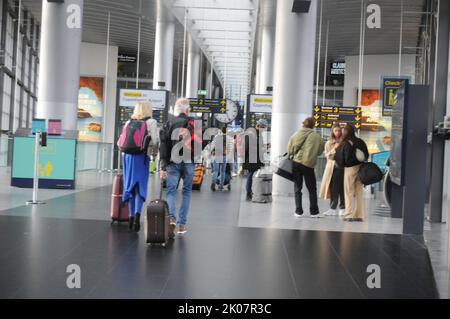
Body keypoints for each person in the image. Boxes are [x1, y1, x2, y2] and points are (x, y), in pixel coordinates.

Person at [159, 98, 200, 236]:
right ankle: (182, 225)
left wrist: (163, 166)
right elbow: (201, 144)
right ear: (187, 110)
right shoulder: (195, 124)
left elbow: (163, 147)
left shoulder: (169, 123)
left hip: (173, 161)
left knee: (171, 191)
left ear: (176, 111)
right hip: (189, 161)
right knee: (187, 191)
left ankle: (172, 218)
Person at [122, 101, 159, 232]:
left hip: (127, 158)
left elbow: (120, 141)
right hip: (142, 157)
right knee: (140, 187)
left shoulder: (128, 122)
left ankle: (130, 218)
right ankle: (138, 216)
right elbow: (155, 141)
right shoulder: (151, 122)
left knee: (130, 187)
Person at [287, 117, 325, 218]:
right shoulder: (317, 137)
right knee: (312, 188)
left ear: (303, 124)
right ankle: (314, 212)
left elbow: (290, 149)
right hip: (308, 164)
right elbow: (320, 151)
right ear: (313, 125)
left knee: (297, 188)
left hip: (296, 163)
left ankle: (298, 211)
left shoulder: (296, 134)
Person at [334, 124, 369, 222]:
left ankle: (349, 215)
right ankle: (359, 215)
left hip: (350, 169)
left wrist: (344, 164)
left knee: (348, 191)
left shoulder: (345, 143)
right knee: (359, 192)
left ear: (346, 132)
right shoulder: (360, 141)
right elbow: (366, 154)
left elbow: (341, 157)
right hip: (361, 168)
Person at [319, 124, 345, 216]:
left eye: (339, 130)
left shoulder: (345, 142)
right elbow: (328, 156)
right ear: (332, 132)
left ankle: (342, 208)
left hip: (344, 169)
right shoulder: (329, 143)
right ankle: (332, 208)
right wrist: (335, 148)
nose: (337, 132)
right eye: (336, 130)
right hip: (333, 169)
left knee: (343, 189)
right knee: (333, 189)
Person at [242, 119, 268, 201]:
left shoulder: (258, 134)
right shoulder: (251, 134)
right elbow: (247, 147)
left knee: (253, 175)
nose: (263, 129)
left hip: (256, 159)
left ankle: (252, 192)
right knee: (250, 175)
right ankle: (249, 193)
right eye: (263, 127)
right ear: (259, 126)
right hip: (251, 159)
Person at [211, 127, 234, 191]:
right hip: (224, 156)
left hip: (217, 155)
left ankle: (213, 182)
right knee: (223, 171)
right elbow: (230, 149)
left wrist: (212, 152)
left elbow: (212, 145)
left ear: (221, 131)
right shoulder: (229, 138)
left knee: (215, 171)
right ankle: (221, 186)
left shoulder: (216, 137)